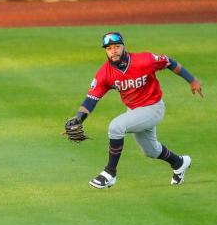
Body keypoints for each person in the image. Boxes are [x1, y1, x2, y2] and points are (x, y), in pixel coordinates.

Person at [70, 32, 203, 189]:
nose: (113, 51)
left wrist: (192, 80)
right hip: (135, 111)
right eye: (109, 48)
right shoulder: (104, 73)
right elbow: (91, 100)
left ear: (123, 47)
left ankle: (109, 173)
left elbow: (168, 62)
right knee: (151, 150)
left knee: (116, 127)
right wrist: (79, 118)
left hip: (153, 108)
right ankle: (179, 162)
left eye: (117, 47)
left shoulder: (144, 60)